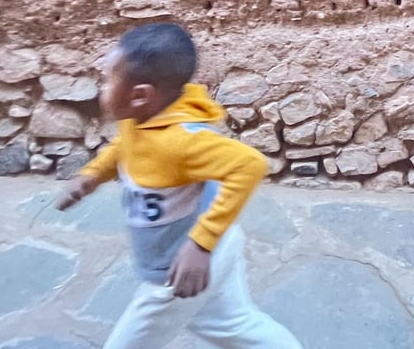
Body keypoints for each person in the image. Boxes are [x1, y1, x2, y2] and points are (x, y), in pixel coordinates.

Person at [55, 23, 302, 349]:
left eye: (108, 80)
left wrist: (200, 245)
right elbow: (124, 148)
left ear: (140, 95)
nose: (102, 88)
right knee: (236, 324)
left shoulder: (182, 141)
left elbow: (249, 164)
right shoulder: (140, 121)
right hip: (219, 246)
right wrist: (93, 175)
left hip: (178, 269)